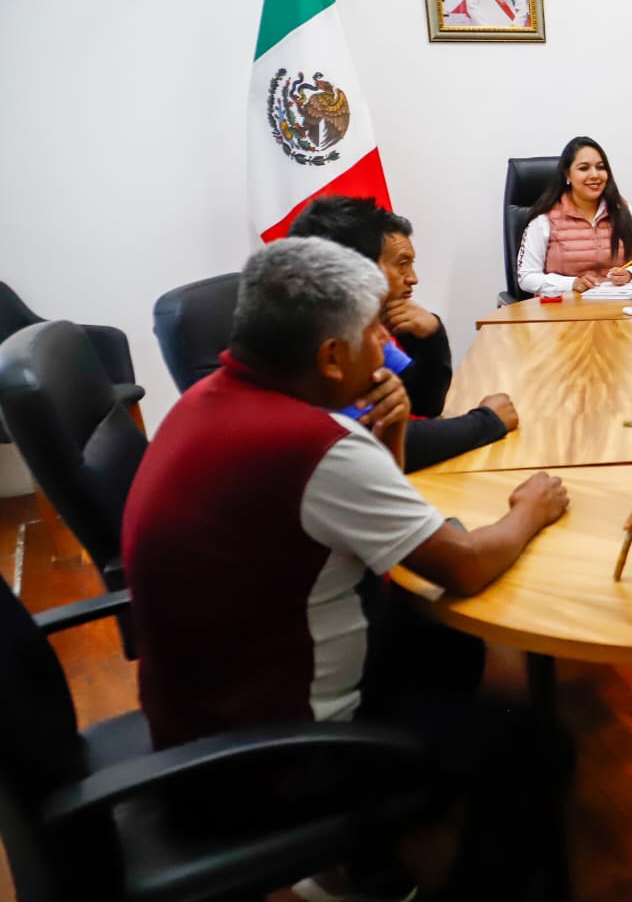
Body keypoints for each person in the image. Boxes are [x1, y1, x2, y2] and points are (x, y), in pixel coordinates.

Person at [122, 238, 573, 900]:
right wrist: (530, 508)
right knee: (533, 748)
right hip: (268, 763)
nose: (386, 349)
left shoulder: (202, 404)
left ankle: (366, 864)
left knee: (444, 643)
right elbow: (467, 567)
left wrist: (384, 439)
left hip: (202, 715)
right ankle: (358, 847)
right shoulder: (312, 444)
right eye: (374, 333)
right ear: (331, 357)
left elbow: (359, 528)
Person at [289, 195, 517, 472]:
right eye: (401, 263)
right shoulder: (317, 337)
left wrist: (431, 337)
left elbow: (423, 402)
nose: (413, 278)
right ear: (359, 267)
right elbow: (370, 443)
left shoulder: (356, 324)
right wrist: (487, 421)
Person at [516, 135, 632, 296]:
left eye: (601, 167)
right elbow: (526, 277)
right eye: (584, 168)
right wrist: (571, 283)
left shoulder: (622, 209)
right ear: (567, 174)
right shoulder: (545, 217)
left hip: (616, 308)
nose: (595, 175)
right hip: (564, 312)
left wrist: (630, 274)